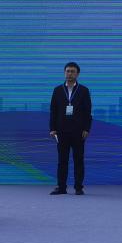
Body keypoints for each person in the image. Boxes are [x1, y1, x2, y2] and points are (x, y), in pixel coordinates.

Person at [48, 62, 92, 196]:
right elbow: (53, 111)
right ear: (64, 73)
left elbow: (88, 112)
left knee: (78, 160)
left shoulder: (84, 90)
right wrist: (52, 128)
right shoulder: (57, 90)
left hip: (78, 131)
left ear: (77, 74)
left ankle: (78, 187)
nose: (70, 74)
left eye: (73, 71)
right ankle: (61, 187)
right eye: (67, 71)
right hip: (61, 131)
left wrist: (86, 129)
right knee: (62, 161)